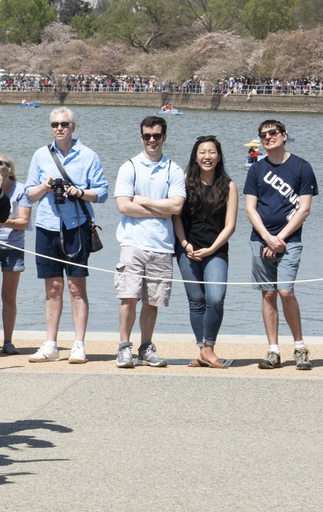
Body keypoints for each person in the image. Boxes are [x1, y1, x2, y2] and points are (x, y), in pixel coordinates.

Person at [25, 107, 107, 364]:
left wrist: (79, 192)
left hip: (77, 226)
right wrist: (46, 186)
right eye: (54, 124)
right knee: (52, 288)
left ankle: (79, 344)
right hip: (47, 226)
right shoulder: (40, 154)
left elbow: (102, 193)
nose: (59, 128)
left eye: (64, 124)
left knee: (76, 286)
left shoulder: (88, 155)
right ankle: (50, 344)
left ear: (73, 127)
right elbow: (29, 194)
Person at [244, 119, 317, 370]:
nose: (268, 137)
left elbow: (304, 209)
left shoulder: (302, 167)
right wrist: (267, 237)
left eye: (273, 133)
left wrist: (280, 239)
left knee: (286, 291)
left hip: (290, 241)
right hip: (260, 240)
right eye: (263, 135)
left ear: (284, 135)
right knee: (268, 294)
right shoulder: (256, 169)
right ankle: (273, 350)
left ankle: (299, 347)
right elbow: (250, 209)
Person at [113, 115, 186, 368]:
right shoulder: (129, 167)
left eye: (156, 135)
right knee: (128, 297)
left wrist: (142, 200)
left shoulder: (173, 169)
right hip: (132, 243)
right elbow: (123, 206)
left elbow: (176, 206)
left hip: (162, 246)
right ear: (141, 137)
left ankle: (146, 346)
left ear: (164, 137)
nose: (152, 140)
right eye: (147, 136)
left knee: (153, 300)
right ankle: (124, 347)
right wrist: (160, 209)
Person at [172, 136, 237, 369]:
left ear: (219, 156)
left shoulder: (228, 185)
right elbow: (176, 216)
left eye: (212, 152)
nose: (207, 156)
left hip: (216, 250)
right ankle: (203, 350)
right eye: (202, 152)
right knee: (196, 300)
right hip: (186, 249)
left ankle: (208, 348)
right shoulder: (184, 181)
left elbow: (230, 225)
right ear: (195, 156)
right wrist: (185, 244)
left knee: (215, 298)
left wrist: (212, 248)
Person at [0, 155, 30, 357]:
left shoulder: (21, 190)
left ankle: (8, 341)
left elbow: (24, 221)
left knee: (9, 297)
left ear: (10, 171)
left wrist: (3, 222)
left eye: (1, 171)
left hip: (13, 247)